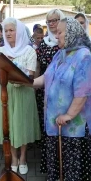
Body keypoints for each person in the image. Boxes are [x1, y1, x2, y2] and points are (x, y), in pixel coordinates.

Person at [33, 18, 91, 181]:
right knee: (61, 149)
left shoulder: (84, 55)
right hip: (57, 117)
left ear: (72, 33)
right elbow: (46, 78)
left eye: (60, 32)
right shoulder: (61, 54)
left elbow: (83, 91)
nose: (56, 35)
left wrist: (69, 114)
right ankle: (63, 176)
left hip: (75, 120)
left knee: (73, 152)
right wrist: (27, 82)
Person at [0, 18, 40, 175]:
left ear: (19, 32)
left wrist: (15, 72)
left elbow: (30, 75)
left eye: (11, 30)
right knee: (9, 126)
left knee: (22, 125)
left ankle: (23, 158)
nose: (8, 33)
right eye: (6, 30)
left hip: (23, 93)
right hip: (7, 93)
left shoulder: (29, 51)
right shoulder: (0, 52)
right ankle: (13, 158)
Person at [36, 9, 65, 140]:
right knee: (46, 117)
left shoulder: (66, 43)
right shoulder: (43, 43)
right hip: (43, 86)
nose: (52, 23)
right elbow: (38, 65)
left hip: (61, 89)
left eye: (55, 20)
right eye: (49, 21)